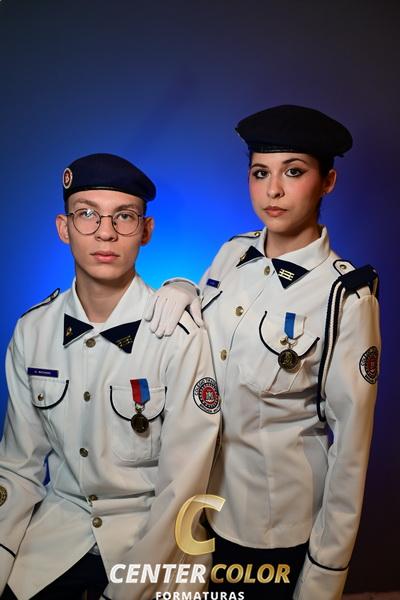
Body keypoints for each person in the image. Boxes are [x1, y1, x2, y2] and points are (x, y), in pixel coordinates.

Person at [145, 105, 381, 599]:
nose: (273, 190)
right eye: (260, 173)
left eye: (293, 172)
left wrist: (324, 575)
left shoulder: (345, 296)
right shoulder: (233, 253)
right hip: (202, 502)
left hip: (274, 528)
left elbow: (351, 451)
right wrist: (183, 285)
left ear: (327, 181)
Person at [0, 153, 220, 600]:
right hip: (59, 531)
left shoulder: (178, 335)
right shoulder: (33, 331)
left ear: (146, 230)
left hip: (155, 539)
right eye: (87, 214)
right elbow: (18, 469)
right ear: (63, 227)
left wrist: (129, 589)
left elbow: (183, 487)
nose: (105, 232)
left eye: (124, 216)